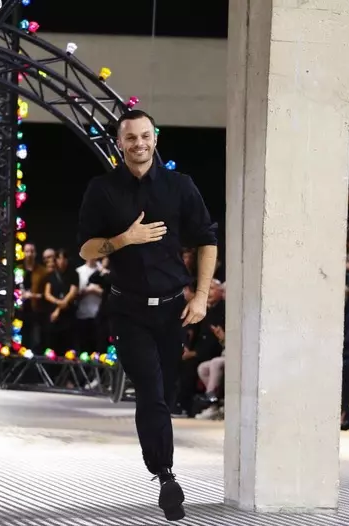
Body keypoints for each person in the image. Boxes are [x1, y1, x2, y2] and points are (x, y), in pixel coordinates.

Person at [77, 109, 218, 521]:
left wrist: (202, 296)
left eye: (145, 136)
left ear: (155, 139)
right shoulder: (102, 190)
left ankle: (163, 467)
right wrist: (124, 239)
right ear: (119, 144)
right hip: (128, 310)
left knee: (166, 393)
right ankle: (166, 476)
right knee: (152, 391)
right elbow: (86, 249)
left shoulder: (179, 187)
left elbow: (207, 239)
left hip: (174, 310)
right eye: (130, 138)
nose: (139, 144)